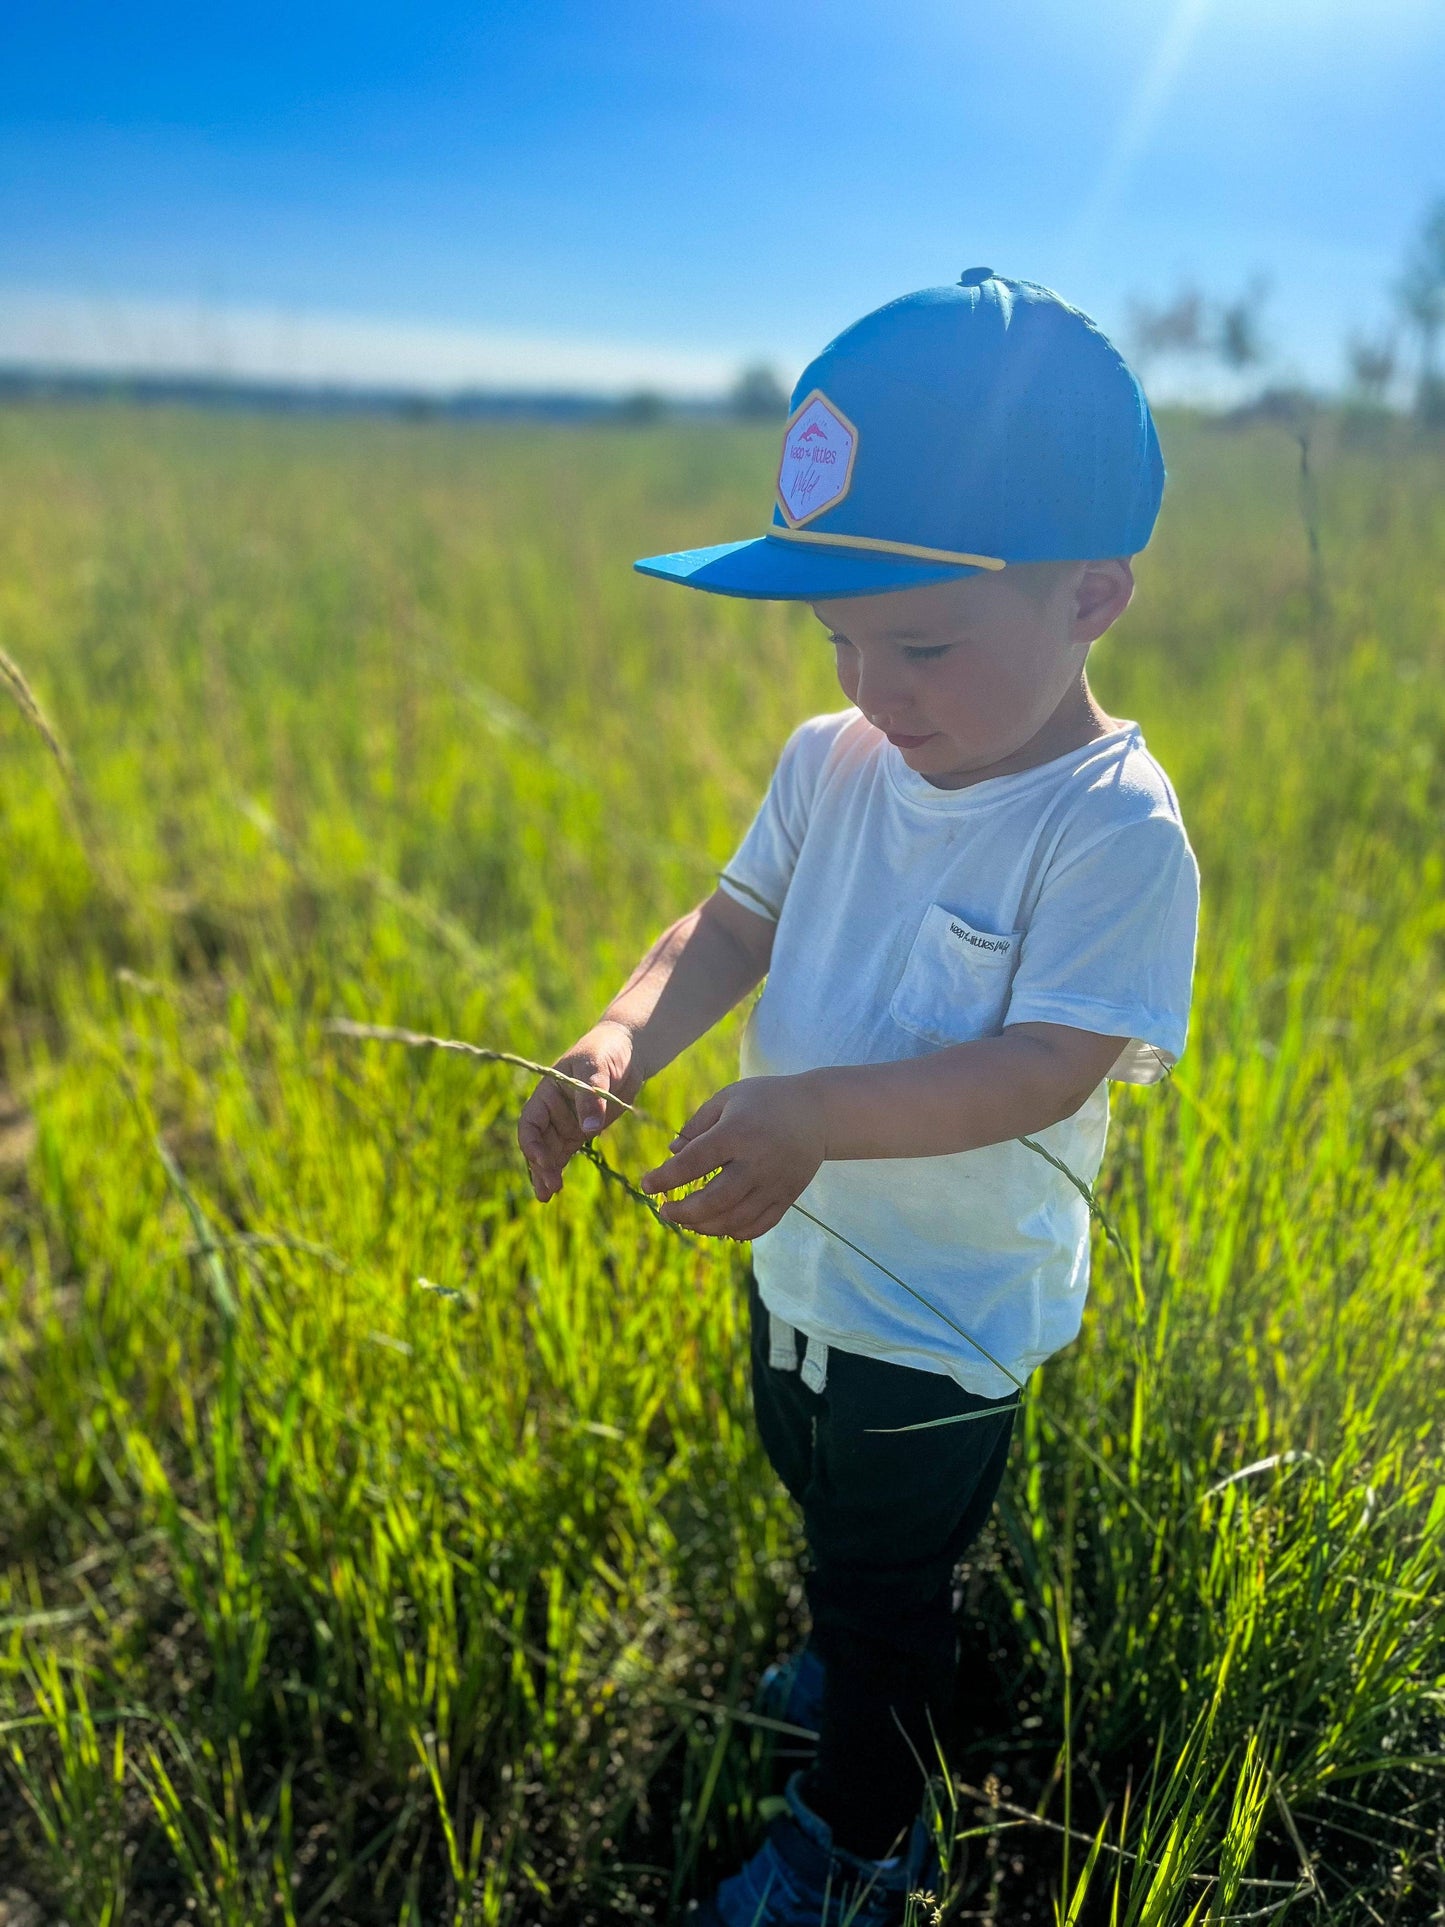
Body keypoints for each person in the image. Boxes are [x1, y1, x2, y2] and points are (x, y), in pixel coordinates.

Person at [516, 269, 1200, 1926]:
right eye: (839, 638)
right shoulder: (832, 758)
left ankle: (860, 1844)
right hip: (800, 1267)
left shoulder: (1109, 829)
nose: (874, 688)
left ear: (1090, 596)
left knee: (896, 1590)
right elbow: (729, 924)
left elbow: (1046, 1065)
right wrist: (621, 1037)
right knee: (817, 1495)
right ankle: (843, 1641)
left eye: (922, 643)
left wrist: (815, 1113)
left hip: (943, 1310)